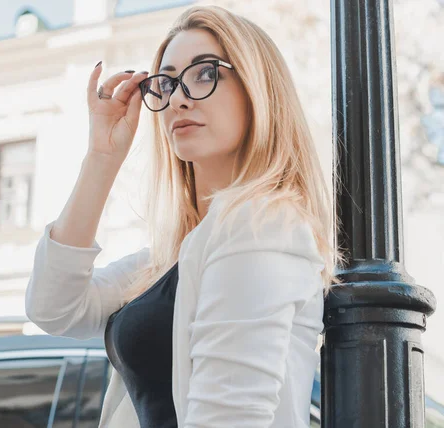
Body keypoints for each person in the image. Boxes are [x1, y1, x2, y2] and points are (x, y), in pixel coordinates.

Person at [25, 5, 336, 428]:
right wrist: (102, 157)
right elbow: (54, 307)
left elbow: (229, 420)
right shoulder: (176, 253)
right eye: (167, 81)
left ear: (258, 89)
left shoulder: (262, 225)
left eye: (205, 73)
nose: (178, 97)